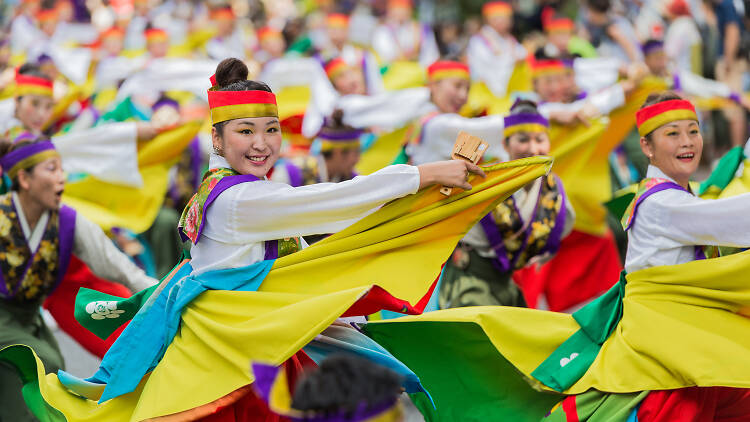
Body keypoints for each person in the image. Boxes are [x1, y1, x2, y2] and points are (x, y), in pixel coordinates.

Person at [0, 137, 157, 422]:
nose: (62, 177)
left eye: (62, 169)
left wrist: (166, 293)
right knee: (41, 361)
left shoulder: (67, 221)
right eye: (52, 169)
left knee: (51, 371)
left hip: (28, 320)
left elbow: (120, 268)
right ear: (24, 178)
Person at [439, 100, 574, 309]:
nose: (532, 148)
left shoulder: (552, 187)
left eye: (540, 139)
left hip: (508, 282)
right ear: (505, 145)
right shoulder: (486, 179)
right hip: (471, 278)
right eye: (523, 140)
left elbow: (564, 224)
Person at [467, 1, 527, 98]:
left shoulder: (509, 39)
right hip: (488, 91)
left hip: (509, 90)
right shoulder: (479, 40)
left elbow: (522, 54)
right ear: (488, 20)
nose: (502, 21)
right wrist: (512, 60)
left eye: (506, 18)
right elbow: (487, 65)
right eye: (498, 18)